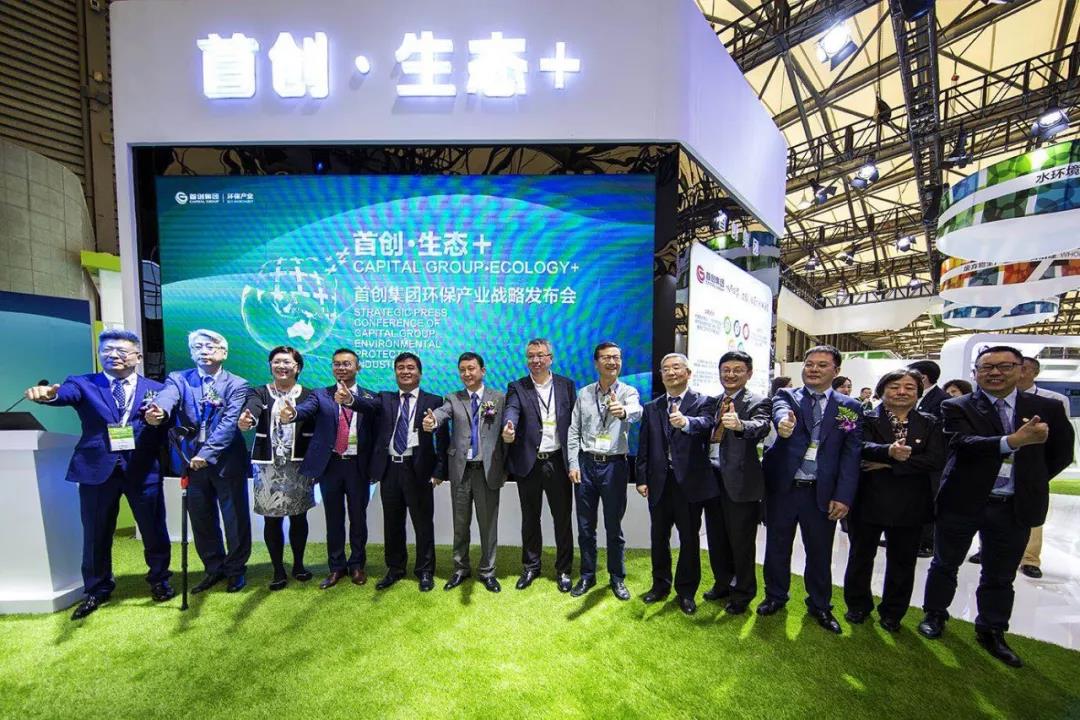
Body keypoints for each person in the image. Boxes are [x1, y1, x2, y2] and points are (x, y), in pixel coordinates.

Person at [918, 346, 1074, 668]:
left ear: (1021, 370)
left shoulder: (1047, 407)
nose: (995, 373)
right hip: (962, 500)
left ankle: (991, 629)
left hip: (1012, 505)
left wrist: (1030, 479)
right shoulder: (956, 405)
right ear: (976, 373)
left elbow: (1060, 453)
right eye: (987, 367)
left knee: (1000, 575)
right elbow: (960, 444)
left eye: (1004, 366)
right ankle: (934, 614)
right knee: (945, 564)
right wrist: (1012, 442)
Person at [24, 329, 173, 619]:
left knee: (154, 529)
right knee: (96, 533)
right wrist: (47, 395)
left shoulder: (157, 388)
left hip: (142, 470)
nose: (113, 355)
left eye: (121, 351)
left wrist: (160, 419)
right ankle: (97, 588)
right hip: (96, 469)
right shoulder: (82, 383)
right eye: (106, 350)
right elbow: (61, 395)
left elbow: (168, 422)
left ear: (138, 357)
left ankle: (159, 580)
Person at [759, 345, 862, 634]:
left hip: (821, 492)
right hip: (784, 489)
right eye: (809, 364)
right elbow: (780, 412)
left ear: (836, 370)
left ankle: (820, 605)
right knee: (777, 547)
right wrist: (783, 423)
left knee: (819, 552)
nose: (814, 369)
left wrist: (843, 496)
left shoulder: (849, 407)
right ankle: (775, 596)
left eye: (822, 365)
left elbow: (851, 455)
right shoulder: (787, 396)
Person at [146, 329, 251, 594]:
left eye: (210, 346)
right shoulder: (179, 378)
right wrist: (159, 411)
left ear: (223, 353)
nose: (204, 351)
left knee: (235, 518)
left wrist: (207, 454)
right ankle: (214, 568)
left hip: (226, 461)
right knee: (201, 518)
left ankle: (236, 570)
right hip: (190, 461)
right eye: (198, 347)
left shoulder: (238, 384)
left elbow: (229, 423)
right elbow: (167, 398)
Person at [842, 369, 944, 632]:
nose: (901, 392)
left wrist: (889, 464)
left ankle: (893, 612)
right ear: (882, 390)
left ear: (918, 392)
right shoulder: (863, 417)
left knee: (903, 562)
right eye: (894, 386)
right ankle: (857, 605)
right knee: (860, 557)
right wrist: (888, 451)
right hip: (867, 499)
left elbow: (935, 459)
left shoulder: (930, 422)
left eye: (909, 387)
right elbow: (856, 447)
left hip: (910, 503)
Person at [343, 352, 448, 592]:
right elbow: (365, 405)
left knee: (423, 523)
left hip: (419, 470)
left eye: (410, 367)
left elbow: (443, 439)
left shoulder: (433, 400)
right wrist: (349, 399)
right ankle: (395, 568)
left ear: (419, 372)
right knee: (392, 522)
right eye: (400, 367)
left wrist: (440, 470)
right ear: (395, 372)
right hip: (390, 469)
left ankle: (425, 571)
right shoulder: (385, 398)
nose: (405, 371)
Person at [282, 349, 377, 590]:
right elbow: (305, 410)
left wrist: (350, 400)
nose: (341, 368)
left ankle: (357, 565)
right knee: (333, 519)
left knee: (358, 518)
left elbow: (373, 411)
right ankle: (336, 567)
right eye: (336, 364)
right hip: (330, 466)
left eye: (346, 364)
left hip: (357, 467)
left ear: (358, 367)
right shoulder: (320, 394)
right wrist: (293, 413)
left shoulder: (370, 396)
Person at [635, 353, 718, 615]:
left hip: (690, 484)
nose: (671, 373)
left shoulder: (704, 401)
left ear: (688, 373)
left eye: (676, 368)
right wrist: (641, 478)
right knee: (658, 537)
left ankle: (686, 592)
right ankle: (660, 585)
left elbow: (706, 424)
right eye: (666, 369)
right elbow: (644, 445)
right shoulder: (652, 407)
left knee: (689, 539)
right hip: (659, 482)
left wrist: (686, 423)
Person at [422, 351, 506, 593]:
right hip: (460, 471)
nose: (467, 373)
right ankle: (460, 569)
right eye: (462, 370)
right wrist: (433, 421)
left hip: (487, 471)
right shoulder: (453, 398)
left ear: (482, 371)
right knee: (460, 524)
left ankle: (488, 572)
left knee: (488, 525)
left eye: (471, 368)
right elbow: (441, 413)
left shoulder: (498, 398)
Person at [566, 341, 642, 600]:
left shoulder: (628, 392)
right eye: (607, 357)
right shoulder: (584, 393)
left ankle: (617, 577)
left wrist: (623, 411)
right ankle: (587, 575)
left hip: (614, 466)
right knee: (585, 526)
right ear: (596, 363)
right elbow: (574, 431)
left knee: (614, 526)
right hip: (586, 465)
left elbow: (636, 411)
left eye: (617, 357)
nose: (613, 362)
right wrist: (573, 464)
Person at [238, 346, 316, 591]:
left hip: (298, 466)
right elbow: (251, 409)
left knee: (299, 516)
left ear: (297, 367)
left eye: (287, 362)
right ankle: (278, 570)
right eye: (277, 362)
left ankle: (299, 565)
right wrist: (247, 419)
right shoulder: (259, 392)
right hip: (268, 466)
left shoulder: (309, 395)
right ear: (270, 365)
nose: (282, 366)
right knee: (272, 520)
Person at [502, 338, 577, 592]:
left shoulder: (566, 385)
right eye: (531, 356)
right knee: (530, 518)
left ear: (550, 358)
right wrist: (509, 426)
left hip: (558, 461)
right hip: (529, 463)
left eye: (541, 355)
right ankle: (531, 567)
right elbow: (512, 410)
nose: (535, 360)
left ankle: (564, 569)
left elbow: (574, 423)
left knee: (562, 519)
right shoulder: (517, 386)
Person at [701, 351, 771, 615]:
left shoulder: (758, 401)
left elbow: (761, 426)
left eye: (737, 370)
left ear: (749, 373)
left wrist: (740, 425)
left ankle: (742, 592)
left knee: (741, 542)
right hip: (712, 479)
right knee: (717, 538)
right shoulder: (714, 402)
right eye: (726, 370)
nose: (730, 375)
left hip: (741, 483)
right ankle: (722, 583)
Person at [1014, 356, 1072, 579]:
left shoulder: (1053, 401)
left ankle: (1030, 559)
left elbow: (1062, 445)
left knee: (1031, 513)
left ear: (1034, 373)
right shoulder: (994, 400)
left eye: (1023, 368)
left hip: (1033, 469)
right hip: (999, 468)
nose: (1018, 373)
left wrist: (1041, 473)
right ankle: (984, 549)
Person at [910, 359, 946, 558]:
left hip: (930, 462)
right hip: (911, 460)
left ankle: (927, 542)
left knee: (929, 500)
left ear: (923, 377)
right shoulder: (917, 397)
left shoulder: (942, 400)